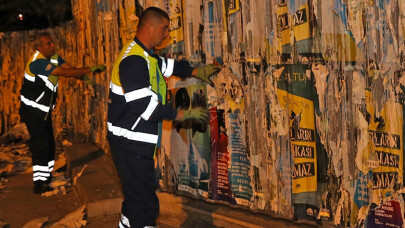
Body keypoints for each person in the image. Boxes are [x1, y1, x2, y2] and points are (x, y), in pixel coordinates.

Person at [107, 7, 220, 228]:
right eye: (164, 28)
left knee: (135, 198)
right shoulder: (133, 61)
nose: (167, 33)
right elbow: (146, 109)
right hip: (130, 143)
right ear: (149, 27)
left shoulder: (145, 55)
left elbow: (165, 66)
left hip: (132, 140)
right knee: (145, 204)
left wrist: (195, 72)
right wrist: (185, 114)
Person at [19, 31, 106, 194]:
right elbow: (65, 73)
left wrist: (83, 76)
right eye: (48, 43)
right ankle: (39, 183)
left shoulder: (52, 58)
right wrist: (89, 70)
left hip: (43, 111)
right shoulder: (36, 63)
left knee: (50, 144)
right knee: (41, 145)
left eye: (52, 42)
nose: (53, 45)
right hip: (32, 112)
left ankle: (47, 177)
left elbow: (69, 68)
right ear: (39, 47)